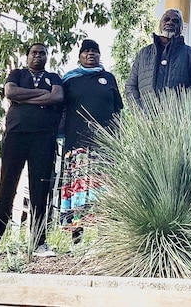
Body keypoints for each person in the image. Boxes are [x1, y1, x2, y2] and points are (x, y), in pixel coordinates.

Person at [0, 43, 63, 260]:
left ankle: (39, 243)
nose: (38, 56)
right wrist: (41, 94)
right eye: (34, 53)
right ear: (27, 56)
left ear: (47, 57)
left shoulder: (54, 77)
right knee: (6, 189)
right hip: (16, 136)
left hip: (44, 138)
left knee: (40, 192)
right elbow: (10, 92)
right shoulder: (17, 74)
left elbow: (57, 97)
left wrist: (24, 98)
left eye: (42, 53)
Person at [59, 39, 123, 242]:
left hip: (105, 145)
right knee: (78, 191)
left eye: (94, 51)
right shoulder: (69, 80)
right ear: (79, 56)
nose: (90, 54)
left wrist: (118, 139)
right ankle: (77, 242)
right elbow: (60, 110)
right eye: (86, 51)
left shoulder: (108, 78)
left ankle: (102, 242)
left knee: (103, 192)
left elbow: (118, 111)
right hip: (77, 144)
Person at [124, 8, 191, 106]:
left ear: (181, 28)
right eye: (166, 19)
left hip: (177, 120)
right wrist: (141, 113)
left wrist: (181, 114)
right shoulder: (143, 53)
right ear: (160, 24)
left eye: (175, 21)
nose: (170, 22)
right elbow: (131, 86)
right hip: (146, 118)